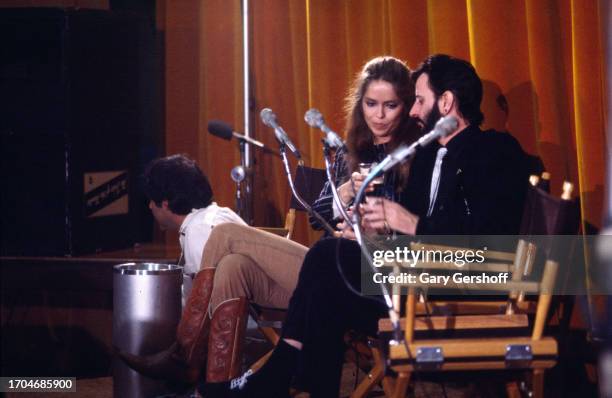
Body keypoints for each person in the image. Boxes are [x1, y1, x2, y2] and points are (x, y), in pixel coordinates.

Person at [202, 54, 529, 398]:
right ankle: (305, 385)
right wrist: (371, 230)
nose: (414, 112)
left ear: (446, 102)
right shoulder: (431, 155)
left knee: (326, 262)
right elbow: (334, 217)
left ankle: (280, 374)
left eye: (418, 101)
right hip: (411, 279)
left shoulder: (494, 150)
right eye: (373, 104)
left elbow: (489, 239)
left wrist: (407, 223)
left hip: (454, 291)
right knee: (328, 274)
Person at [118, 56, 421, 388]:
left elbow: (421, 229)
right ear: (360, 103)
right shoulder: (350, 150)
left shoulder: (415, 153)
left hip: (364, 271)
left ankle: (183, 356)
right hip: (326, 270)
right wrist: (345, 194)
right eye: (371, 104)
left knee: (226, 235)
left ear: (406, 106)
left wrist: (378, 229)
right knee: (233, 266)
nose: (379, 115)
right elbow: (319, 214)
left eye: (390, 106)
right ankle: (222, 384)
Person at [142, 154, 246, 303]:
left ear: (165, 204)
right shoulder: (215, 215)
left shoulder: (199, 231)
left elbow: (211, 304)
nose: (150, 206)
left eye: (152, 200)